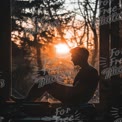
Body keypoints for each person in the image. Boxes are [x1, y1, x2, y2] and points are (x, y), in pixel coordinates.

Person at [13, 47, 99, 105]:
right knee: (46, 82)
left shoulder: (90, 72)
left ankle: (26, 102)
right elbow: (76, 89)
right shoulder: (86, 70)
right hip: (76, 99)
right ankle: (27, 101)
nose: (71, 59)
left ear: (80, 57)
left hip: (76, 101)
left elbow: (75, 91)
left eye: (73, 56)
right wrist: (52, 81)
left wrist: (53, 83)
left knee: (45, 83)